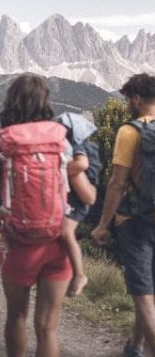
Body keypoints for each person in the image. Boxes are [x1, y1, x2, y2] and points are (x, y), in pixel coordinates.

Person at [0, 74, 73, 357]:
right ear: (45, 103)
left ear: (9, 102)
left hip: (19, 242)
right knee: (48, 329)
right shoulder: (62, 143)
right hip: (57, 242)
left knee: (17, 317)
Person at [92, 73, 155, 357]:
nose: (127, 103)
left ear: (137, 99)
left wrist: (103, 225)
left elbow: (117, 183)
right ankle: (136, 346)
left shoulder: (130, 132)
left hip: (134, 222)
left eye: (128, 98)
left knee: (143, 295)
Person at [56, 113, 99, 297]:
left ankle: (79, 275)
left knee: (66, 232)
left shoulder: (79, 147)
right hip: (76, 197)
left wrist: (56, 171)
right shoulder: (83, 145)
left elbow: (81, 165)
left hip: (78, 200)